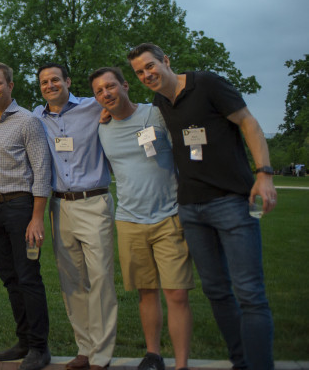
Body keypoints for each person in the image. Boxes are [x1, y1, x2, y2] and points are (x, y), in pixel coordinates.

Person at [128, 43, 277, 370]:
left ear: (166, 60)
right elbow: (137, 118)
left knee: (250, 294)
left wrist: (263, 173)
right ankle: (241, 361)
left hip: (232, 204)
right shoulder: (160, 102)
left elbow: (248, 123)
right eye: (139, 72)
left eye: (150, 66)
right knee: (217, 292)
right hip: (192, 210)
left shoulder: (207, 83)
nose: (146, 75)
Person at [89, 67, 194, 370]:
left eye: (110, 86)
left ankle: (182, 364)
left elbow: (184, 149)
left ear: (125, 85)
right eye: (99, 91)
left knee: (176, 293)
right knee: (147, 293)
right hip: (129, 220)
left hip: (169, 216)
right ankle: (153, 355)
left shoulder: (155, 114)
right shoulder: (102, 127)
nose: (106, 94)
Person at [32, 63, 116, 370]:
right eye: (44, 82)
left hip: (94, 202)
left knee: (101, 278)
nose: (50, 85)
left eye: (55, 79)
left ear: (68, 80)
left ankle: (102, 355)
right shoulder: (37, 118)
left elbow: (126, 106)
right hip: (60, 207)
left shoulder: (94, 106)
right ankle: (85, 347)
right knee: (72, 282)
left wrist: (113, 110)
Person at [0, 62, 52, 370]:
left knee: (28, 278)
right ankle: (23, 340)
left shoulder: (28, 122)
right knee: (9, 278)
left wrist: (37, 218)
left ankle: (40, 347)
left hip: (21, 207)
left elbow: (42, 171)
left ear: (10, 85)